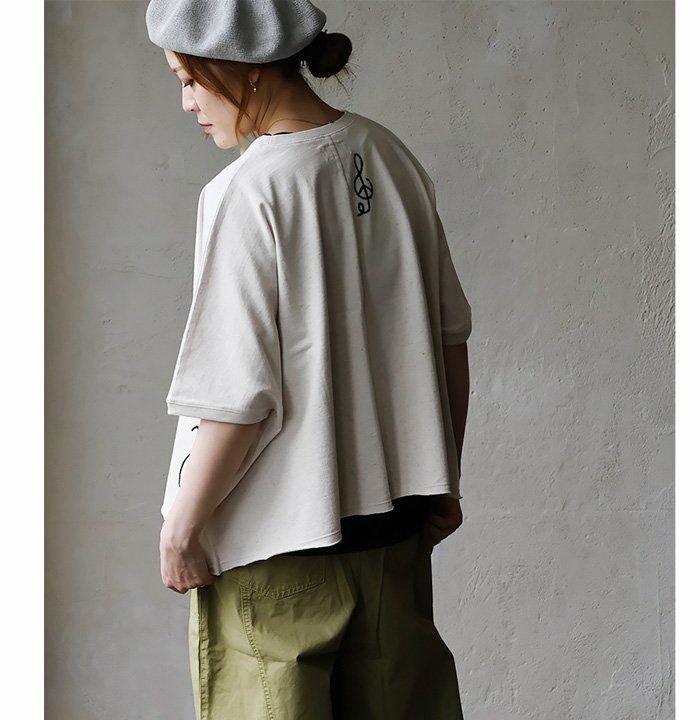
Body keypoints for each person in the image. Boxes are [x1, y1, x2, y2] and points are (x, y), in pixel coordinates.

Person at [146, 1, 472, 718]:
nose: (187, 103)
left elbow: (236, 396)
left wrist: (183, 526)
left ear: (240, 68)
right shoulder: (389, 155)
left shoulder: (247, 191)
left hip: (276, 558)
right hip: (392, 542)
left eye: (189, 79)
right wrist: (443, 473)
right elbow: (448, 337)